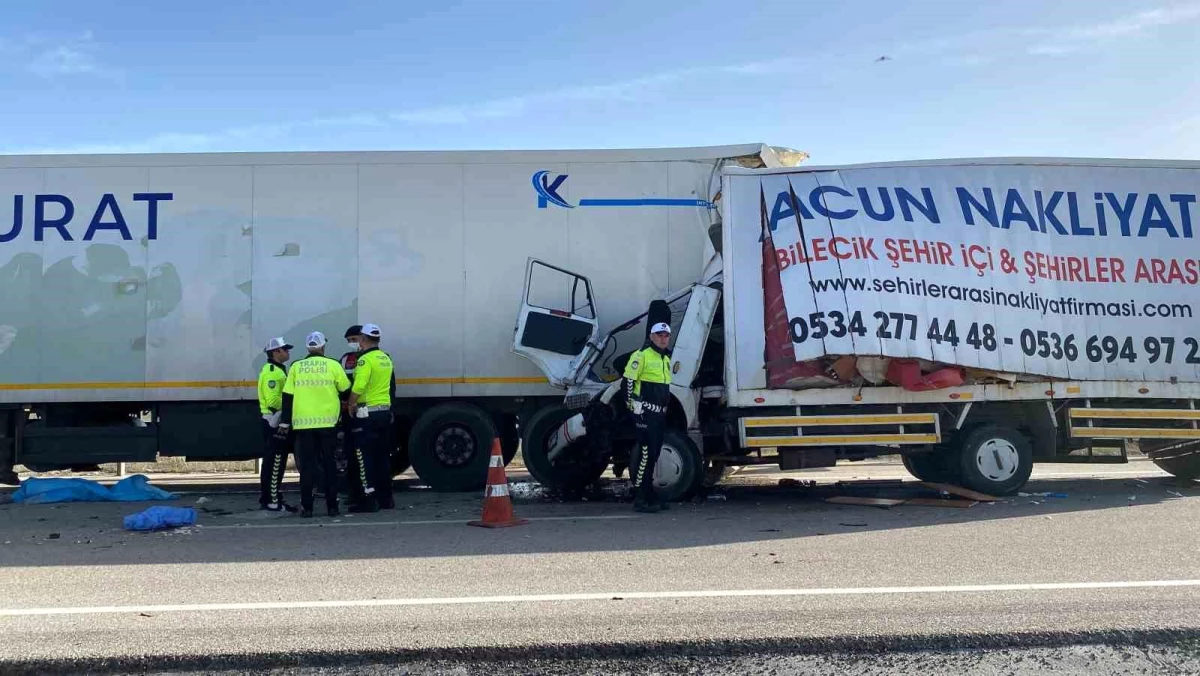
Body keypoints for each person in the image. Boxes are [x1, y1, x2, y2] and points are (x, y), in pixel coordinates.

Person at [278, 331, 350, 518]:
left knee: (307, 468)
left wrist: (285, 422)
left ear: (308, 347)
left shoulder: (296, 367)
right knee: (329, 465)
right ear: (323, 346)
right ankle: (332, 507)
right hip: (328, 424)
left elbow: (287, 397)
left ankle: (307, 508)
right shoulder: (333, 365)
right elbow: (345, 390)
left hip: (303, 426)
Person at [623, 321, 673, 513]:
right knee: (645, 455)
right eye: (659, 335)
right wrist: (633, 409)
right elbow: (628, 382)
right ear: (651, 337)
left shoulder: (665, 358)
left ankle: (649, 493)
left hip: (659, 415)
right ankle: (640, 498)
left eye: (666, 335)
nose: (663, 338)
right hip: (644, 414)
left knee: (653, 455)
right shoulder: (641, 355)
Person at [347, 323, 396, 512]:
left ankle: (368, 499)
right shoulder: (385, 358)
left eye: (359, 338)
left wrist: (351, 403)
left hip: (367, 414)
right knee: (383, 457)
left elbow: (359, 387)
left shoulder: (364, 360)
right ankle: (386, 499)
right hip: (384, 412)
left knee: (364, 457)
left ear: (364, 339)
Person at [257, 337, 297, 512]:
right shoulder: (273, 372)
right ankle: (273, 501)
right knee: (275, 462)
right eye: (284, 349)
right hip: (274, 422)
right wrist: (294, 403)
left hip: (274, 420)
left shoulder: (278, 370)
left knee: (274, 462)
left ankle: (270, 499)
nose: (288, 352)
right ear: (275, 352)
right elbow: (273, 400)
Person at [338, 325, 369, 505]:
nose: (352, 344)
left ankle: (372, 493)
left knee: (368, 456)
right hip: (349, 413)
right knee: (351, 455)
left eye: (354, 340)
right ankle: (354, 493)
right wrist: (344, 403)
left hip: (368, 413)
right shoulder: (345, 360)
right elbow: (340, 384)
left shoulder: (372, 358)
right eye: (349, 341)